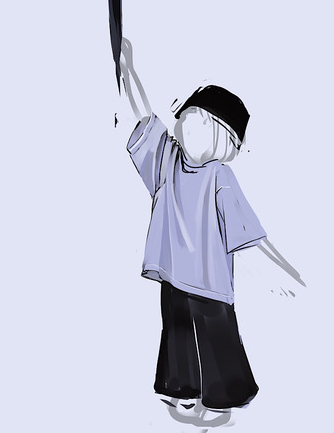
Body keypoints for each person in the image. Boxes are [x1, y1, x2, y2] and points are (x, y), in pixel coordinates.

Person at [118, 39, 304, 426]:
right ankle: (181, 390)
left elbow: (245, 233)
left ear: (223, 139)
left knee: (218, 339)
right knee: (177, 333)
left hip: (209, 282)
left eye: (201, 120)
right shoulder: (167, 160)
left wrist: (279, 273)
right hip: (172, 274)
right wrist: (128, 69)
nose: (189, 126)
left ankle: (223, 397)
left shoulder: (220, 177)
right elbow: (142, 115)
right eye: (188, 117)